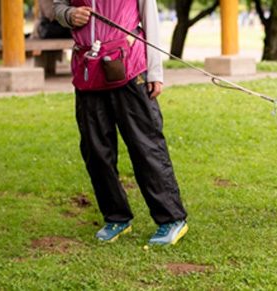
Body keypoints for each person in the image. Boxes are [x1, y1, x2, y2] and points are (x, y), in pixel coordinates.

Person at [53, 0, 189, 246]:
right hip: (88, 71)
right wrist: (69, 14)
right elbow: (57, 7)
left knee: (145, 146)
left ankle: (171, 219)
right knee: (96, 151)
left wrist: (155, 72)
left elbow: (151, 21)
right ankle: (116, 217)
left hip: (130, 68)